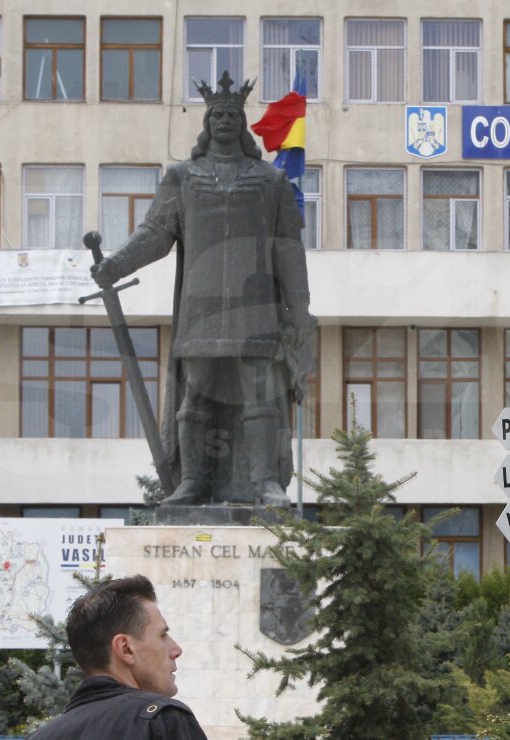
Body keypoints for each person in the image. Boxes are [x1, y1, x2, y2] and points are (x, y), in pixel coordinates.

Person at [91, 70, 314, 509]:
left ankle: (265, 482)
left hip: (257, 308)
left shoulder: (270, 182)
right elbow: (155, 233)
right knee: (197, 395)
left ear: (242, 123)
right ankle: (192, 481)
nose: (225, 120)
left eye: (233, 114)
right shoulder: (182, 178)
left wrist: (300, 306)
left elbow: (289, 248)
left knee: (259, 395)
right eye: (218, 115)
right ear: (207, 123)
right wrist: (115, 264)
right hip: (202, 306)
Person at [28, 575, 208, 739]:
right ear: (126, 649)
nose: (176, 650)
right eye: (162, 636)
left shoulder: (40, 736)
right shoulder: (161, 720)